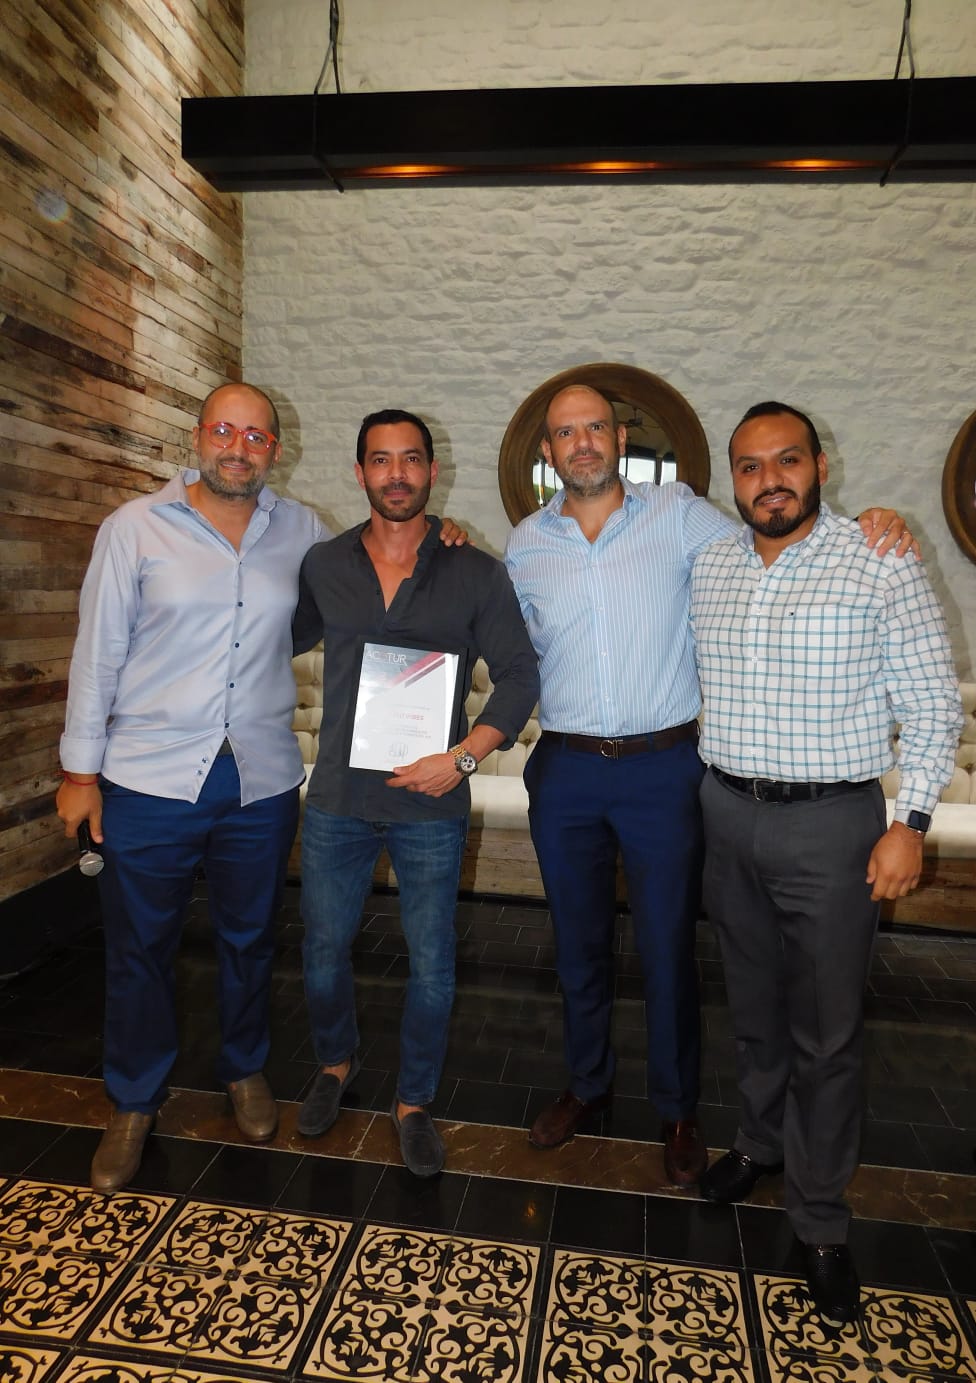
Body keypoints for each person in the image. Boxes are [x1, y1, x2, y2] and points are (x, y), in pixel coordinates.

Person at [55, 384, 466, 1194]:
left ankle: (244, 1068)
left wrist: (440, 535)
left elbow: (372, 564)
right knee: (141, 948)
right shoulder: (134, 528)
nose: (237, 447)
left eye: (254, 435)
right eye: (224, 430)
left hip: (261, 776)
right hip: (147, 776)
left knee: (249, 938)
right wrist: (79, 772)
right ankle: (133, 1100)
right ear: (199, 437)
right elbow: (96, 652)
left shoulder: (303, 533)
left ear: (275, 448)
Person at [504, 382, 914, 1187]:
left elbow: (777, 538)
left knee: (667, 948)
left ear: (619, 437)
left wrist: (871, 521)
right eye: (565, 432)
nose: (582, 442)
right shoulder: (523, 544)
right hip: (565, 766)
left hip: (663, 767)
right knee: (576, 944)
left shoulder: (681, 516)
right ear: (546, 451)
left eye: (594, 427)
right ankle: (586, 1082)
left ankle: (677, 1107)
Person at [692, 401, 962, 1323]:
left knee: (827, 1033)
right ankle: (758, 1142)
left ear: (818, 465)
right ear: (732, 479)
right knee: (753, 1008)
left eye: (787, 460)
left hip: (831, 824)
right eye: (750, 465)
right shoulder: (712, 564)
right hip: (726, 810)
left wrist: (909, 820)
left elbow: (932, 703)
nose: (769, 480)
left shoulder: (877, 558)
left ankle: (817, 1216)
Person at [292, 409, 538, 1177]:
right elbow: (271, 637)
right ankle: (335, 1062)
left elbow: (519, 677)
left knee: (431, 963)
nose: (395, 474)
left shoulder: (475, 571)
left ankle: (414, 1101)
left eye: (409, 459)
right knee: (322, 951)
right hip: (337, 797)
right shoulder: (322, 565)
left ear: (432, 470)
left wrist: (462, 760)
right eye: (380, 459)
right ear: (359, 472)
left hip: (431, 802)